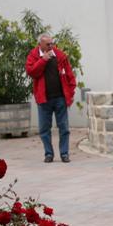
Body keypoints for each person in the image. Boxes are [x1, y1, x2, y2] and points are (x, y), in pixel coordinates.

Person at [25, 34, 77, 163]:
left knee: (64, 128)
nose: (51, 46)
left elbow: (70, 76)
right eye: (47, 44)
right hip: (44, 99)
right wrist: (43, 60)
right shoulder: (34, 55)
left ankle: (64, 154)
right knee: (44, 129)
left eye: (52, 43)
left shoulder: (60, 56)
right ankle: (49, 154)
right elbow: (32, 72)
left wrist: (70, 94)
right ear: (40, 45)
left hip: (60, 98)